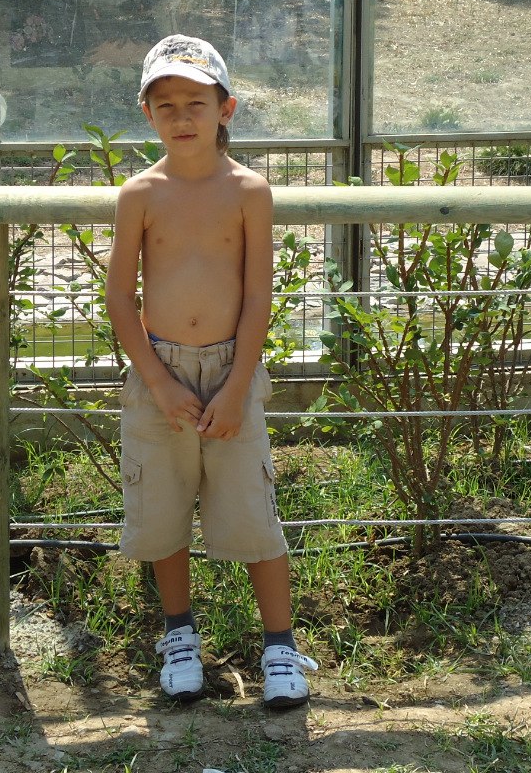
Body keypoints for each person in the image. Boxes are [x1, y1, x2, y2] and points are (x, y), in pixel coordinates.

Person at [105, 35, 317, 708]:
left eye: (195, 102)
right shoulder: (139, 194)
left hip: (233, 372)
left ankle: (279, 645)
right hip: (159, 374)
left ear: (226, 108)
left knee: (253, 513)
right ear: (148, 114)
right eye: (165, 105)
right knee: (162, 514)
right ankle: (179, 636)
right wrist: (159, 382)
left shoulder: (249, 191)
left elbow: (258, 297)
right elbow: (120, 297)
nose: (181, 116)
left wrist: (236, 385)